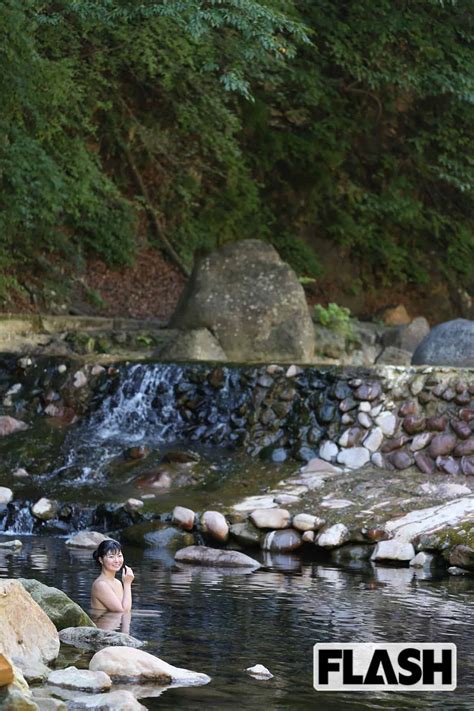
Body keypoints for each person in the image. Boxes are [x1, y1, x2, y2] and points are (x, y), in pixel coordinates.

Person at [91, 539, 134, 613]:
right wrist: (127, 584)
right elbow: (123, 612)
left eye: (119, 556)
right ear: (101, 560)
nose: (117, 560)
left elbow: (127, 610)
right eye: (111, 557)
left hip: (117, 623)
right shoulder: (100, 585)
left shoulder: (118, 583)